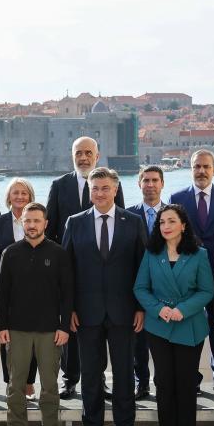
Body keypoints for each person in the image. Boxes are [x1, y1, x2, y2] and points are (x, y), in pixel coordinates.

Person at [63, 167, 146, 426]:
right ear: (89, 190)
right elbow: (68, 270)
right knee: (90, 373)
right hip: (86, 313)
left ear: (115, 189)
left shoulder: (133, 222)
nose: (99, 193)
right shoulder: (75, 222)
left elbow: (141, 268)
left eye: (105, 188)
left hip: (124, 312)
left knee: (123, 373)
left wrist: (140, 308)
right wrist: (70, 309)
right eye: (94, 188)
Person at [47, 136, 124, 399]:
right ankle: (68, 379)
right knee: (71, 326)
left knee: (97, 334)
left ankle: (99, 379)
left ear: (97, 155)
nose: (83, 157)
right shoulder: (59, 185)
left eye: (88, 152)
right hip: (70, 269)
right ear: (72, 156)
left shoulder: (113, 184)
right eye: (78, 152)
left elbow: (119, 223)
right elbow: (52, 228)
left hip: (101, 272)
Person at [133, 204, 213, 426]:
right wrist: (159, 309)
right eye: (162, 222)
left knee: (186, 382)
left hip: (189, 326)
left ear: (183, 225)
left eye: (171, 221)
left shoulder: (199, 254)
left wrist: (183, 309)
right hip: (159, 326)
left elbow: (207, 291)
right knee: (164, 381)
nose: (165, 227)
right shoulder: (151, 253)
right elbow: (140, 288)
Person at [0, 202, 73, 426]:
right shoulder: (10, 253)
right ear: (23, 223)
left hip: (50, 330)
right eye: (27, 221)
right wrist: (2, 326)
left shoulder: (59, 253)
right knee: (16, 384)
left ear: (45, 224)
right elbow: (2, 293)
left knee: (50, 384)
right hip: (17, 329)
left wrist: (64, 327)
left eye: (36, 221)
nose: (31, 225)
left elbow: (67, 295)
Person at [169, 149, 214, 394]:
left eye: (206, 167)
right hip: (188, 279)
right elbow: (172, 238)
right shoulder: (177, 198)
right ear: (191, 169)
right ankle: (191, 377)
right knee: (189, 329)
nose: (201, 171)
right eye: (197, 166)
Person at [0, 178, 39, 399]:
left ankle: (28, 382)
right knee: (7, 335)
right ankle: (11, 381)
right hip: (6, 287)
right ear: (9, 197)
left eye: (24, 193)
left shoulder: (37, 219)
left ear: (30, 197)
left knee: (35, 335)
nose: (19, 197)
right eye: (15, 193)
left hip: (36, 287)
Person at [127, 165, 166, 400]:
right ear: (139, 184)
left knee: (163, 340)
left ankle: (163, 383)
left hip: (166, 288)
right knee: (138, 340)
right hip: (137, 288)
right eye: (146, 180)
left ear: (162, 184)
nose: (150, 185)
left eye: (154, 180)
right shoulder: (128, 215)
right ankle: (142, 383)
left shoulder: (174, 214)